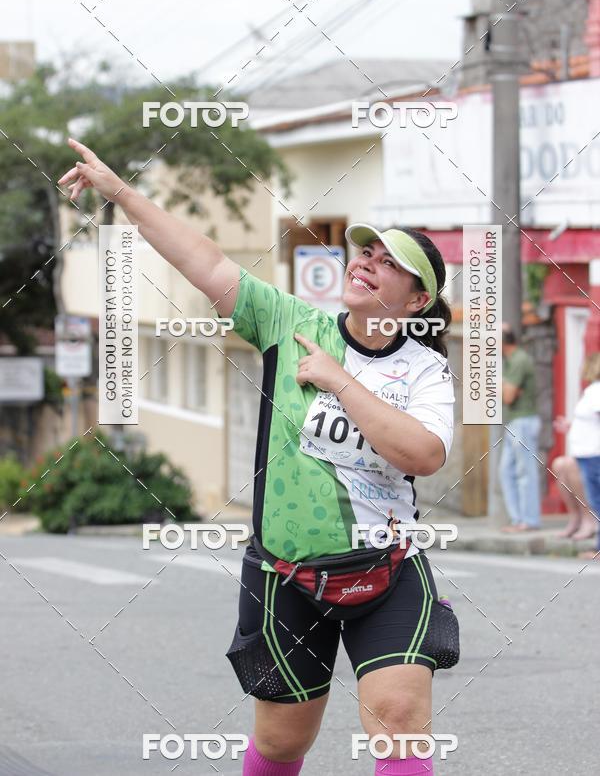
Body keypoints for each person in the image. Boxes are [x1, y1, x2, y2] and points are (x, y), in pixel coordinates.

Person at [59, 139, 459, 775]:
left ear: (416, 301)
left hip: (387, 572)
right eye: (367, 252)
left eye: (390, 264)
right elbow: (205, 261)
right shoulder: (288, 322)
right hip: (287, 575)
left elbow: (426, 454)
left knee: (399, 720)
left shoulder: (426, 370)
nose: (366, 264)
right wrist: (121, 192)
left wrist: (340, 382)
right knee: (280, 744)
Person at [499, 324, 542, 532]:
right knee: (506, 471)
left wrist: (494, 386)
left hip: (523, 421)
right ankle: (518, 519)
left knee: (525, 472)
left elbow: (507, 397)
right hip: (515, 421)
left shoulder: (518, 360)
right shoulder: (510, 361)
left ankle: (529, 520)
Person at [557, 353, 600, 559]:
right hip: (585, 453)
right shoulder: (591, 391)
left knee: (597, 501)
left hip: (593, 454)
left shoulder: (596, 391)